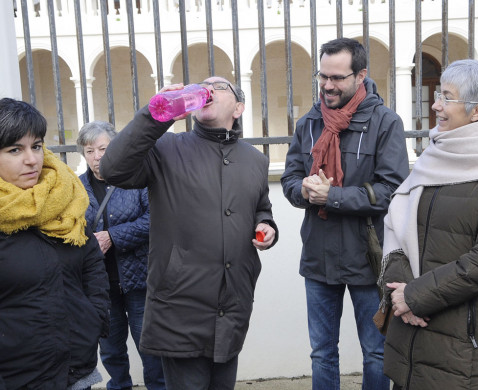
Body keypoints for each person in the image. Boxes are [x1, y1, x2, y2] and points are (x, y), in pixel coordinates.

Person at [99, 76, 279, 390]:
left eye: (219, 87)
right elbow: (113, 168)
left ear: (238, 108)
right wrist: (154, 115)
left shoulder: (255, 160)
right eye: (202, 85)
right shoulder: (166, 148)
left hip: (232, 303)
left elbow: (261, 206)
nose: (207, 89)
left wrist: (268, 227)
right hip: (180, 306)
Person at [382, 59, 478, 389]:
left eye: (446, 96)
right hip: (413, 335)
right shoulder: (437, 156)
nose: (436, 105)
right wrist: (400, 295)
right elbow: (399, 226)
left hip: (468, 342)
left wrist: (416, 296)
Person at [280, 37, 409, 390]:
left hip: (369, 258)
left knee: (376, 352)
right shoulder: (309, 121)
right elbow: (290, 177)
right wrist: (303, 191)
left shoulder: (385, 122)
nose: (327, 85)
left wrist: (332, 196)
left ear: (361, 75)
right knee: (322, 352)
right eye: (323, 77)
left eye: (337, 78)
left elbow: (392, 190)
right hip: (319, 257)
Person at [0, 98, 110, 390]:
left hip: (75, 369)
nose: (31, 159)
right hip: (16, 377)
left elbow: (91, 264)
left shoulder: (66, 199)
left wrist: (94, 318)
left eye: (36, 146)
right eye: (14, 149)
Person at [77, 121, 165, 390]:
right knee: (111, 350)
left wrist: (113, 236)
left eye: (103, 148)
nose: (97, 157)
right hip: (99, 285)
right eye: (90, 151)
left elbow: (156, 219)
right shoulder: (75, 188)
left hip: (139, 280)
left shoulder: (136, 180)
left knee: (150, 348)